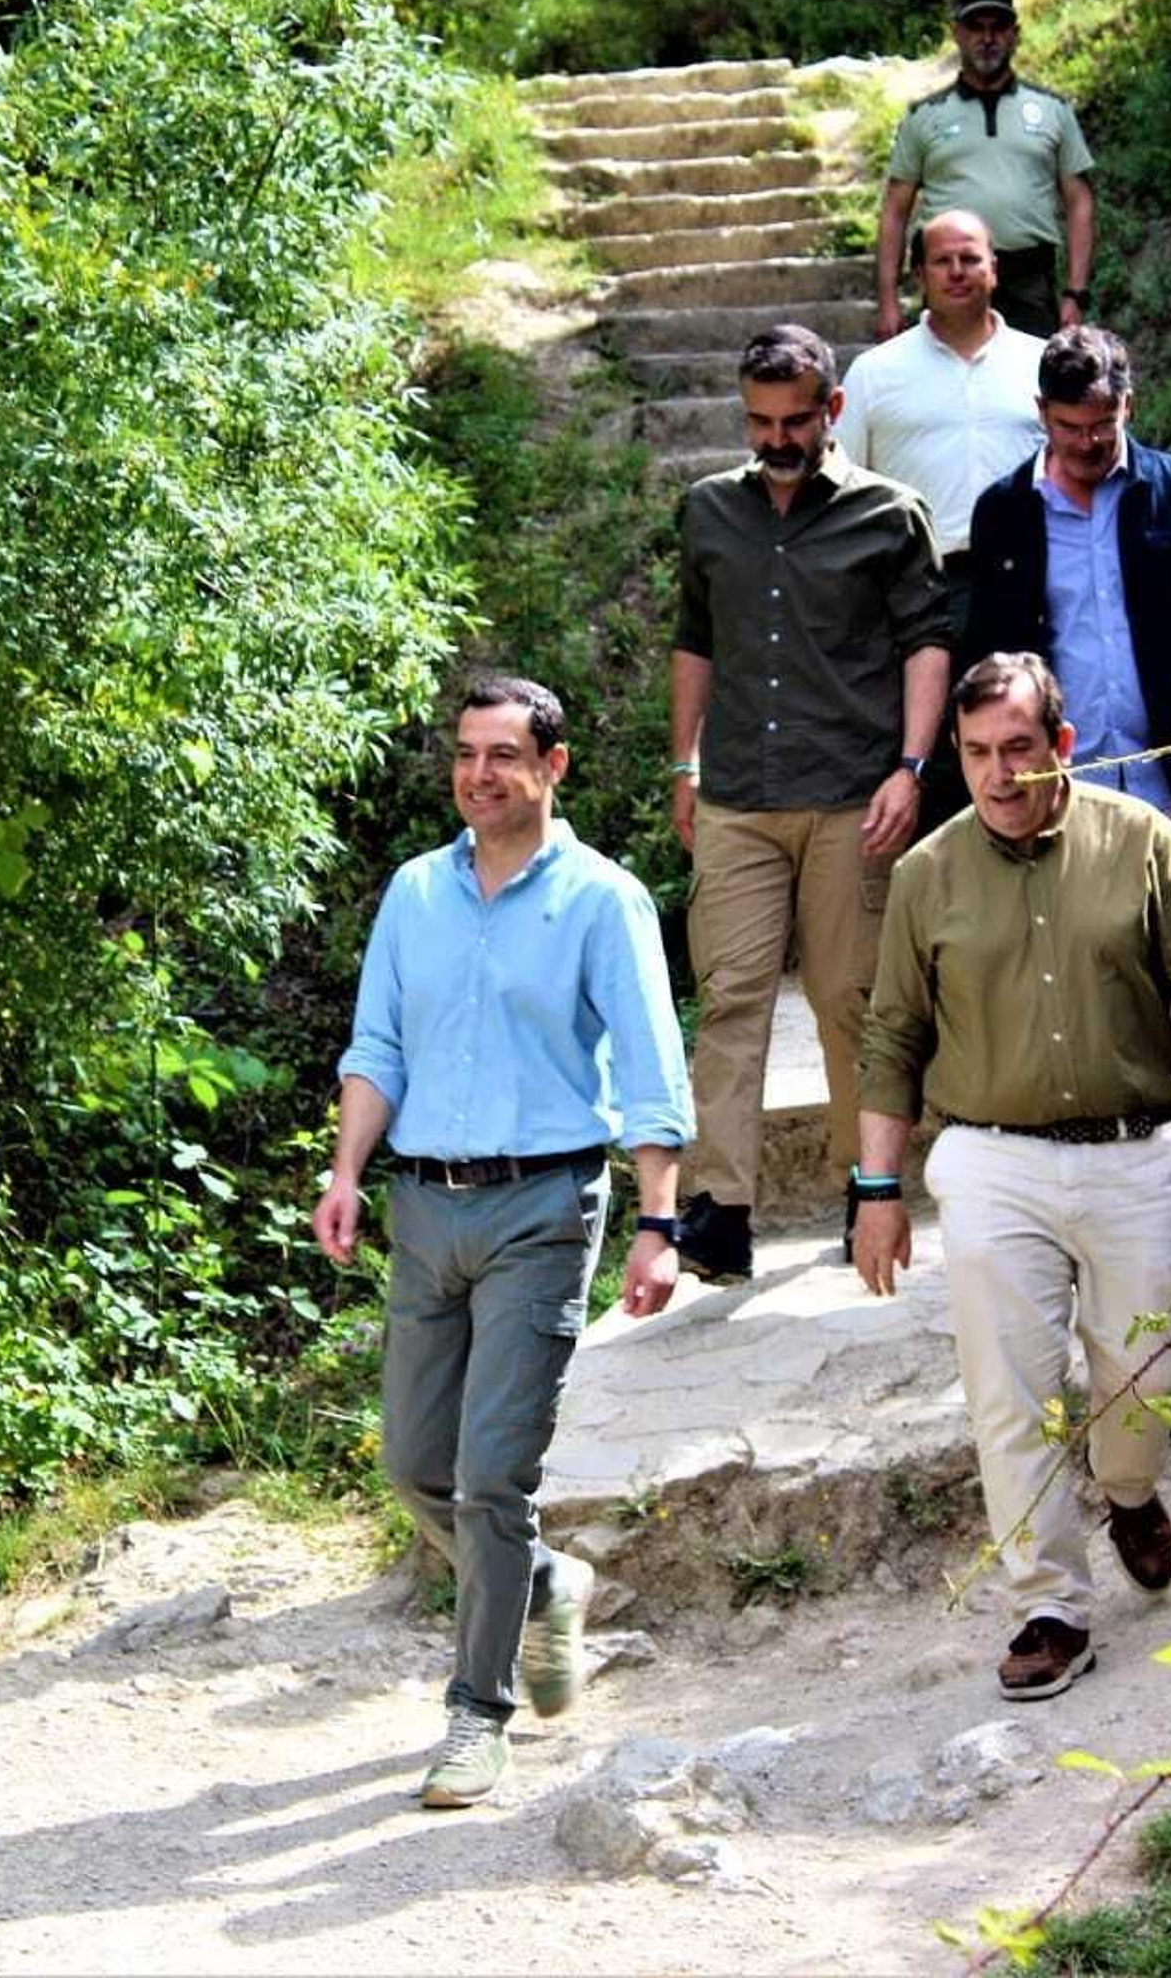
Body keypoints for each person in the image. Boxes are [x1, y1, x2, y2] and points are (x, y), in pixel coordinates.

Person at [852, 651, 1171, 1701]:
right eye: (979, 754)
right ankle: (1049, 1604)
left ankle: (1128, 1491)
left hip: (1136, 1152)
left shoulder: (1139, 845)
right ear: (957, 754)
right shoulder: (925, 876)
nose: (998, 774)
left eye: (1019, 750)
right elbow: (889, 1037)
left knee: (1142, 1381)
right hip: (991, 1159)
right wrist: (875, 1191)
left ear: (1063, 746)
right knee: (1011, 1393)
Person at [313, 674, 692, 1809]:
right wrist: (343, 1172)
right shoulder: (414, 894)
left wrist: (659, 1222)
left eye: (503, 756)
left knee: (490, 1475)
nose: (480, 775)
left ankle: (476, 1713)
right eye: (466, 754)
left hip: (543, 1207)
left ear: (552, 768)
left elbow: (649, 1069)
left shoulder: (601, 900)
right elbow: (378, 1044)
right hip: (423, 1205)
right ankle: (536, 1584)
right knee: (412, 1466)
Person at [670, 324, 952, 1283]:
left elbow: (926, 644)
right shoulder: (709, 511)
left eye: (795, 420)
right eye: (759, 421)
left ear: (833, 409)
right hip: (739, 794)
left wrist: (911, 767)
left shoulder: (890, 513)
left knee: (850, 1000)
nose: (776, 439)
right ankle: (719, 1210)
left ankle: (862, 1186)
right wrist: (684, 765)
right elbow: (695, 641)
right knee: (731, 997)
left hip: (849, 793)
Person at [966, 324, 1171, 860]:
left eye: (1102, 424)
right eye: (1068, 427)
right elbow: (985, 656)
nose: (1086, 443)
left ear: (1129, 406)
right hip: (1058, 791)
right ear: (1041, 411)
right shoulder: (1003, 512)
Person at [838, 205, 1043, 646]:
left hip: (1032, 583)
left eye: (969, 259)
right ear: (919, 274)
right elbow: (840, 490)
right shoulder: (873, 373)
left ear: (994, 268)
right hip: (915, 589)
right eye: (941, 261)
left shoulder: (1042, 362)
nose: (956, 272)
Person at [876, 0, 1095, 343]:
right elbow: (895, 210)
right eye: (975, 27)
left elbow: (1080, 200)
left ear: (1015, 33)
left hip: (1029, 278)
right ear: (957, 34)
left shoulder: (1052, 110)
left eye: (998, 27)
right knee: (945, 390)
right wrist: (888, 301)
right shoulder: (925, 117)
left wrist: (1075, 292)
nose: (987, 38)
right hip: (950, 276)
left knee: (1032, 389)